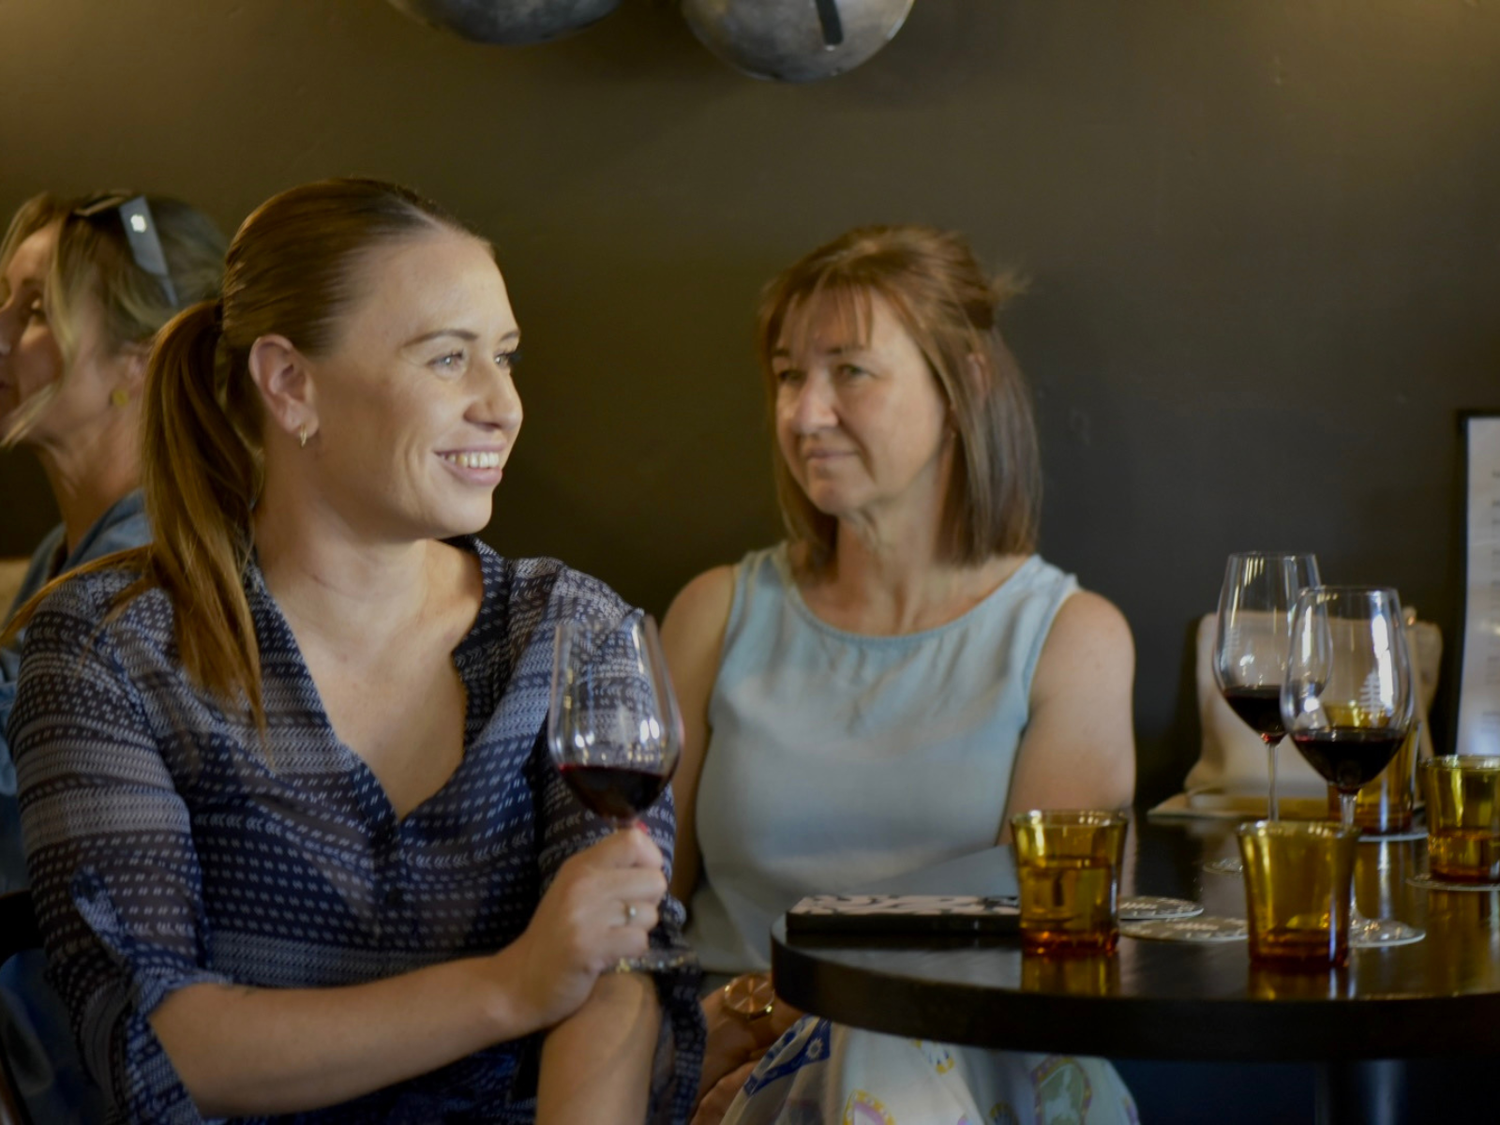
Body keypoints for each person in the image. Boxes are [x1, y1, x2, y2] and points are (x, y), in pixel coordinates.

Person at [5, 178, 702, 1123]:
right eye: (447, 358)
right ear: (291, 383)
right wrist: (509, 986)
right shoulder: (107, 647)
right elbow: (162, 1044)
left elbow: (617, 971)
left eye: (504, 356)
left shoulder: (573, 628)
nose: (503, 405)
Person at [661, 225, 1137, 1123]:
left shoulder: (1071, 637)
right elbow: (633, 910)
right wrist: (688, 1037)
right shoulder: (715, 613)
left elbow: (1044, 946)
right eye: (789, 375)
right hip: (730, 1060)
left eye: (850, 370)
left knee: (890, 1042)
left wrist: (792, 1008)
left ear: (966, 386)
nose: (805, 413)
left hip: (974, 1059)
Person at [0, 188, 225, 1123]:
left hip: (105, 1055)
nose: (2, 334)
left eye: (35, 310)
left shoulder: (153, 573)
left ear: (143, 357)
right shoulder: (64, 555)